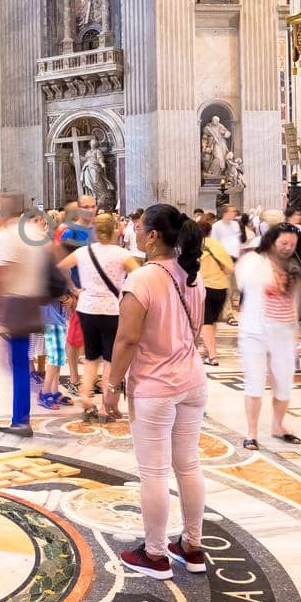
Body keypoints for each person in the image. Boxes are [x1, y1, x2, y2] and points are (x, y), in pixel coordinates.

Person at [102, 204, 208, 581]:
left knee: (154, 473)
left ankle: (155, 553)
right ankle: (192, 546)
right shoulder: (193, 275)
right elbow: (195, 332)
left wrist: (111, 385)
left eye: (139, 227)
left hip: (154, 385)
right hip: (192, 380)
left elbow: (127, 339)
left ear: (150, 236)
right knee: (189, 465)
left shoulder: (144, 279)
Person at [234, 223, 301, 451]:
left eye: (292, 244)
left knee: (284, 382)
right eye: (283, 243)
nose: (288, 248)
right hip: (255, 331)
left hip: (284, 331)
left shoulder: (298, 267)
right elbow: (244, 282)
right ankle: (251, 432)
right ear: (271, 241)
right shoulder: (255, 263)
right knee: (255, 382)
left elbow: (299, 300)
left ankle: (278, 426)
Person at [56, 214, 133, 422]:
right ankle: (104, 407)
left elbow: (59, 268)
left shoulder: (83, 252)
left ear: (95, 232)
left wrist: (75, 289)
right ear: (115, 229)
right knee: (109, 359)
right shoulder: (122, 254)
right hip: (111, 310)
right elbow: (139, 276)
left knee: (91, 358)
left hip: (87, 308)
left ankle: (86, 399)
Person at [0, 192, 50, 438]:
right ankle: (20, 416)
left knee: (16, 363)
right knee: (19, 361)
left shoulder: (9, 235)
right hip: (34, 301)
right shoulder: (35, 232)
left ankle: (21, 419)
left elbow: (2, 271)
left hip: (16, 303)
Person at [197, 219, 234, 366]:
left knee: (205, 322)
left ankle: (212, 356)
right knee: (212, 321)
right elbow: (230, 268)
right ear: (210, 231)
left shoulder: (196, 246)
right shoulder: (218, 245)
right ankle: (209, 350)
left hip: (204, 288)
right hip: (221, 288)